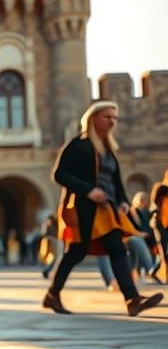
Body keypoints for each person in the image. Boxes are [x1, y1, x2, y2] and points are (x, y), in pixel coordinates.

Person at [42, 101, 162, 317]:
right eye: (107, 117)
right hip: (85, 209)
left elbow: (115, 180)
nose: (112, 121)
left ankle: (132, 299)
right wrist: (87, 190)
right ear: (93, 118)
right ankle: (53, 294)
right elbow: (59, 174)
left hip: (107, 210)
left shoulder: (108, 149)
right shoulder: (79, 145)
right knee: (76, 253)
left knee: (115, 248)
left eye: (115, 117)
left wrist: (124, 200)